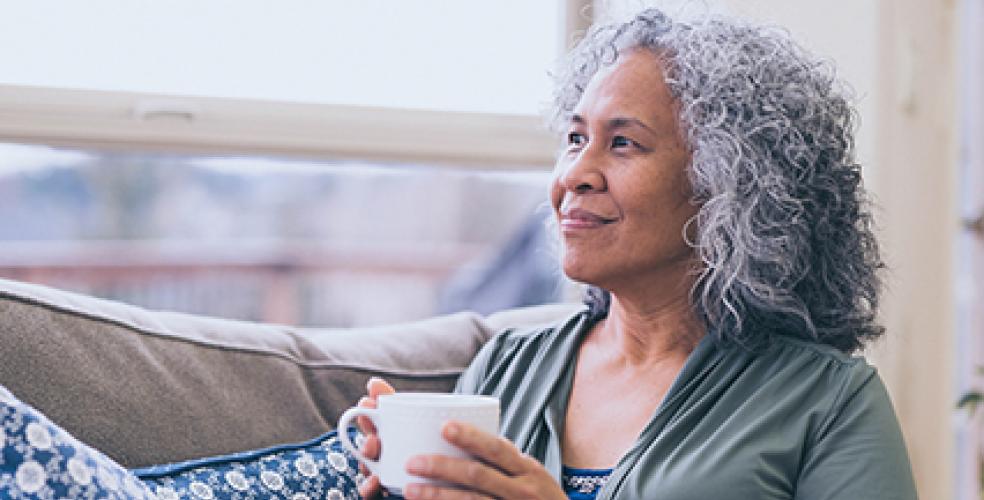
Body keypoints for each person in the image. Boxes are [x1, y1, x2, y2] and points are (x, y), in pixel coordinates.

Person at [356, 8, 918, 500]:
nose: (574, 174)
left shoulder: (827, 402)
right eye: (576, 139)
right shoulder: (505, 366)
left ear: (730, 184)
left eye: (624, 143)